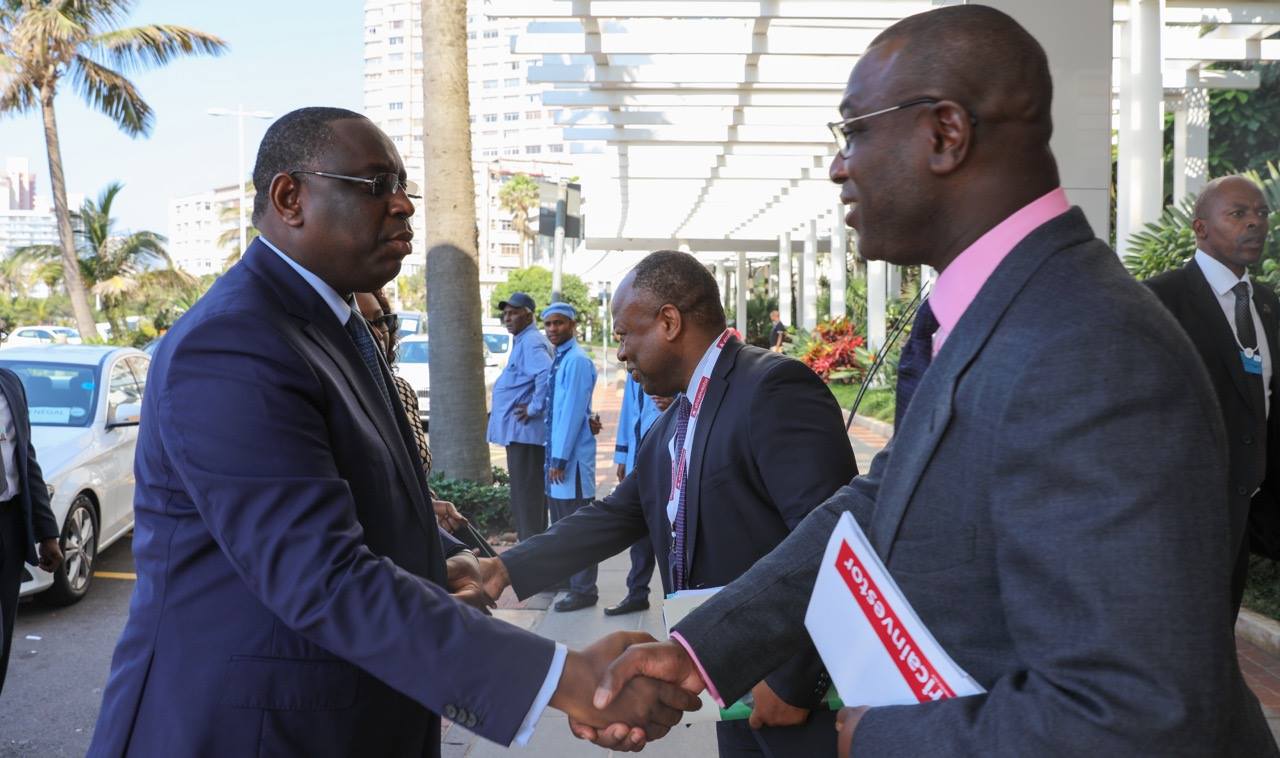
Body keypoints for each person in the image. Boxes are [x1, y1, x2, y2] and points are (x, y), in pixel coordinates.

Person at [589, 7, 1277, 756]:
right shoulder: (1000, 312)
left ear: (945, 134)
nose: (838, 165)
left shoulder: (1093, 350)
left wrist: (887, 737)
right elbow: (881, 502)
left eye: (853, 130)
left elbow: (1136, 713)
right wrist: (699, 653)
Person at [87, 107, 696, 758]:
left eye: (405, 186)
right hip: (251, 733)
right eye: (376, 185)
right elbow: (322, 576)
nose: (403, 206)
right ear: (289, 197)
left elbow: (345, 495)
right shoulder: (234, 344)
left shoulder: (335, 329)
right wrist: (569, 676)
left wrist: (431, 562)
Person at [480, 251, 858, 756]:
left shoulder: (774, 389)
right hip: (735, 683)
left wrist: (796, 682)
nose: (619, 353)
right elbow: (617, 515)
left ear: (669, 322)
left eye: (624, 334)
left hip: (794, 696)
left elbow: (835, 545)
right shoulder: (677, 419)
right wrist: (503, 570)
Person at [1147, 176, 1280, 617]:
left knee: (1218, 635)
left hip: (1244, 515)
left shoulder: (1266, 304)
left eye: (1261, 213)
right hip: (1181, 513)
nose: (1255, 223)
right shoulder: (1160, 300)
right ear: (1201, 229)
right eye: (1238, 213)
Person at [355, 289, 468, 534]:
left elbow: (414, 472)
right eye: (362, 323)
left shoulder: (401, 389)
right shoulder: (337, 392)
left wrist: (428, 504)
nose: (376, 332)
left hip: (422, 526)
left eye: (380, 320)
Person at [0, 351, 61, 695]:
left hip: (8, 527)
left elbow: (27, 461)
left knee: (2, 644)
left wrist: (47, 532)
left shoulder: (10, 384)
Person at [539, 301, 601, 612]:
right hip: (558, 459)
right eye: (548, 324)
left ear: (572, 325)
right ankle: (568, 579)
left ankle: (585, 590)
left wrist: (559, 459)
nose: (552, 329)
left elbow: (573, 414)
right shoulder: (561, 359)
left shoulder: (576, 361)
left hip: (570, 463)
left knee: (577, 527)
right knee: (562, 526)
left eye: (559, 323)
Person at [487, 291, 554, 541]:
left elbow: (546, 374)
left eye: (513, 313)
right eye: (505, 313)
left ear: (528, 315)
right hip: (521, 436)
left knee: (527, 501)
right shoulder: (524, 341)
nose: (507, 317)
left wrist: (534, 408)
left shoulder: (531, 342)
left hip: (525, 436)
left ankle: (531, 558)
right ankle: (533, 552)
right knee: (527, 500)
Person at [603, 374, 670, 616]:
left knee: (670, 538)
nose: (622, 349)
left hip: (668, 465)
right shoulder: (635, 372)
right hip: (638, 463)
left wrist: (675, 401)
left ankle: (676, 599)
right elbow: (628, 413)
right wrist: (622, 456)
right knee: (640, 537)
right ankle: (637, 593)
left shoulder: (671, 368)